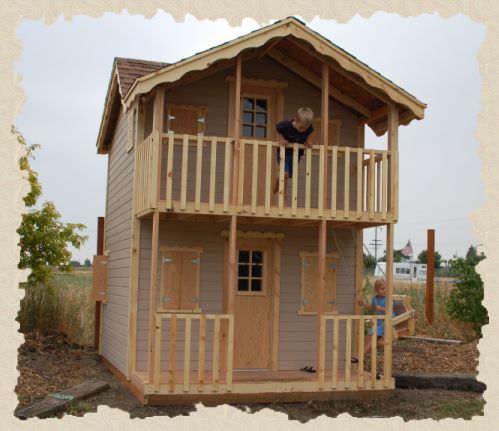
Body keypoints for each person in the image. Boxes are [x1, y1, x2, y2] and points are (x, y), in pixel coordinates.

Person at [272, 107, 314, 205]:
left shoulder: (308, 128)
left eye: (305, 129)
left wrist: (308, 141)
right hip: (283, 153)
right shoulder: (286, 126)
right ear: (295, 120)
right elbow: (277, 129)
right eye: (300, 128)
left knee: (287, 175)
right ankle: (284, 202)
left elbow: (309, 135)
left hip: (296, 155)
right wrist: (281, 138)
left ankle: (277, 180)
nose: (302, 131)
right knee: (285, 174)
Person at [355, 278, 396, 358]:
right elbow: (373, 308)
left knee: (373, 337)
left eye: (386, 288)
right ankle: (359, 353)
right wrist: (364, 305)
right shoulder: (375, 298)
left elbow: (389, 310)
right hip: (378, 321)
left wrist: (380, 308)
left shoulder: (388, 298)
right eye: (382, 288)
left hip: (387, 321)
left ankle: (360, 355)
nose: (385, 290)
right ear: (376, 290)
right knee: (368, 336)